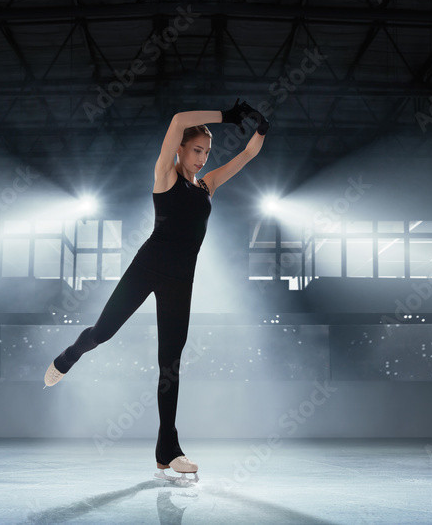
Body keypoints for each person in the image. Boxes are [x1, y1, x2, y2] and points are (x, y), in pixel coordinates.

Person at [44, 99, 269, 479]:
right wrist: (227, 116)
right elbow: (179, 118)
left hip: (181, 281)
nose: (202, 158)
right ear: (181, 149)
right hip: (146, 268)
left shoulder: (207, 186)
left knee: (171, 364)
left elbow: (247, 155)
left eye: (207, 153)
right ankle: (68, 357)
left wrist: (261, 127)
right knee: (102, 333)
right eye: (197, 150)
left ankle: (168, 451)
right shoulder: (165, 175)